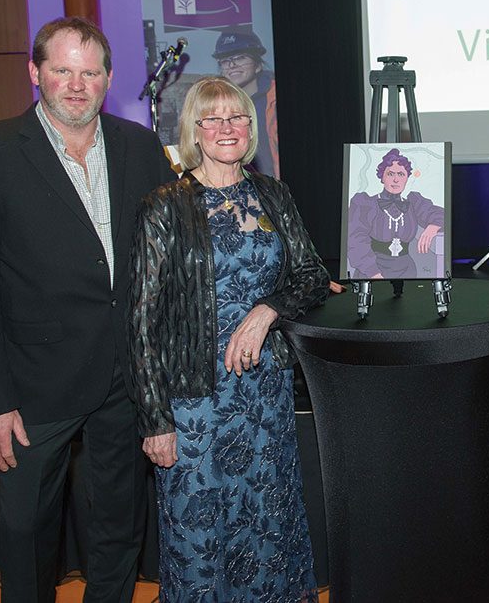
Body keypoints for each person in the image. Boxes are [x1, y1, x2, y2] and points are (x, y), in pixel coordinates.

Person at [0, 17, 175, 602]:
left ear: (108, 79)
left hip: (124, 379)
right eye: (62, 70)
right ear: (35, 73)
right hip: (30, 387)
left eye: (90, 71)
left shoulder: (139, 146)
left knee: (118, 528)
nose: (76, 84)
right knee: (24, 532)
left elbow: (165, 256)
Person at [130, 76, 329, 602]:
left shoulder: (272, 194)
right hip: (193, 400)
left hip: (265, 394)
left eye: (237, 117)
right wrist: (155, 420)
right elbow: (144, 324)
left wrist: (267, 310)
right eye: (212, 118)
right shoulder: (164, 206)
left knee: (268, 516)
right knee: (198, 529)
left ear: (250, 128)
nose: (227, 128)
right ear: (194, 131)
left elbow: (310, 274)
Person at [345, 147, 444, 279]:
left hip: (407, 271)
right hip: (372, 271)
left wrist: (433, 227)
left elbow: (441, 214)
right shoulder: (365, 204)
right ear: (382, 177)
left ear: (407, 178)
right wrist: (373, 273)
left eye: (401, 174)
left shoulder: (413, 203)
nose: (396, 180)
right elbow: (356, 241)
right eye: (391, 174)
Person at [213, 29, 280, 177]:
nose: (232, 65)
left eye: (240, 57)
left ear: (258, 65)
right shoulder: (215, 107)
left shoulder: (276, 99)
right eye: (225, 60)